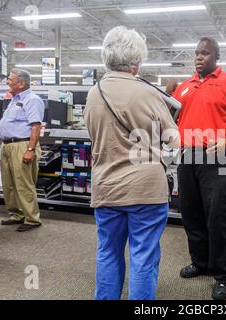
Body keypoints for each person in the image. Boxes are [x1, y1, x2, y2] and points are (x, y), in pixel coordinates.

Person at [84, 26, 180, 300]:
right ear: (137, 61)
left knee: (108, 253)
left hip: (107, 187)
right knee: (143, 257)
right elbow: (173, 140)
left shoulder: (94, 92)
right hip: (146, 190)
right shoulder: (148, 93)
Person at [169, 37, 226, 300]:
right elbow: (169, 116)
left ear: (216, 57)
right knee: (191, 212)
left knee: (218, 215)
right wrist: (167, 92)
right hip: (187, 156)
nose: (199, 57)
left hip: (218, 156)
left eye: (205, 53)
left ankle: (224, 273)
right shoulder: (184, 87)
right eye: (196, 53)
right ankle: (201, 262)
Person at [0, 69, 44, 232]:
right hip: (8, 146)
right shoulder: (14, 99)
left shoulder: (32, 100)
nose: (7, 81)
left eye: (10, 79)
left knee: (23, 184)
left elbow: (36, 127)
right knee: (9, 184)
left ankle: (32, 219)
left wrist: (30, 149)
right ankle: (16, 214)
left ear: (22, 83)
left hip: (22, 145)